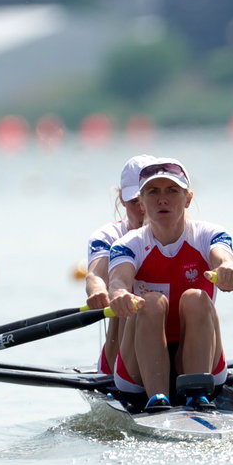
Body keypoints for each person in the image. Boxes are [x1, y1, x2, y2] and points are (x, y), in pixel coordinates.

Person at [107, 158, 233, 412]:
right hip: (137, 368)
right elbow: (118, 280)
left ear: (188, 199)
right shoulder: (127, 245)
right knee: (152, 301)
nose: (162, 199)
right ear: (142, 202)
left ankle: (197, 392)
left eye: (172, 191)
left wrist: (228, 268)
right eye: (153, 192)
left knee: (196, 297)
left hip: (201, 355)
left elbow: (223, 256)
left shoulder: (208, 234)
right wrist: (120, 293)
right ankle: (157, 397)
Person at [84, 154, 156, 375]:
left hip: (177, 341)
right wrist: (97, 290)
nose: (143, 208)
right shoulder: (107, 236)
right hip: (122, 349)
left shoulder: (192, 233)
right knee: (129, 301)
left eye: (148, 198)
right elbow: (96, 274)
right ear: (121, 199)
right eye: (135, 201)